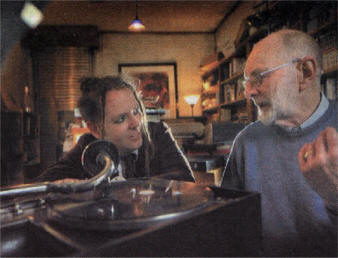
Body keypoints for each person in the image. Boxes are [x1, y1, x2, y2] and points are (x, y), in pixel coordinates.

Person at [220, 29, 337, 257]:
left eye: (259, 77)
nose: (248, 92)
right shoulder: (246, 141)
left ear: (304, 72)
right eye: (246, 82)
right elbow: (228, 227)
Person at [36, 76, 194, 183]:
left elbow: (185, 181)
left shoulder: (158, 133)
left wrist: (123, 188)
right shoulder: (88, 147)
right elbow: (41, 186)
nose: (136, 123)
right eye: (121, 119)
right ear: (95, 129)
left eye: (136, 112)